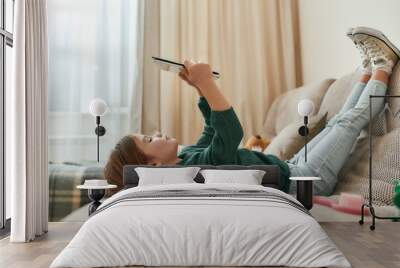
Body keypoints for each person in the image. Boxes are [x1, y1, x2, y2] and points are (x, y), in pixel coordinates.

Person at [104, 26, 399, 196]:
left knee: (337, 123)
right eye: (149, 139)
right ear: (153, 166)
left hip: (293, 168)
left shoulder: (188, 156)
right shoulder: (197, 173)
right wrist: (207, 83)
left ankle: (367, 69)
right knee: (346, 124)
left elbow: (211, 131)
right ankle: (384, 64)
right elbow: (230, 132)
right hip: (306, 182)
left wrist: (199, 90)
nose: (156, 133)